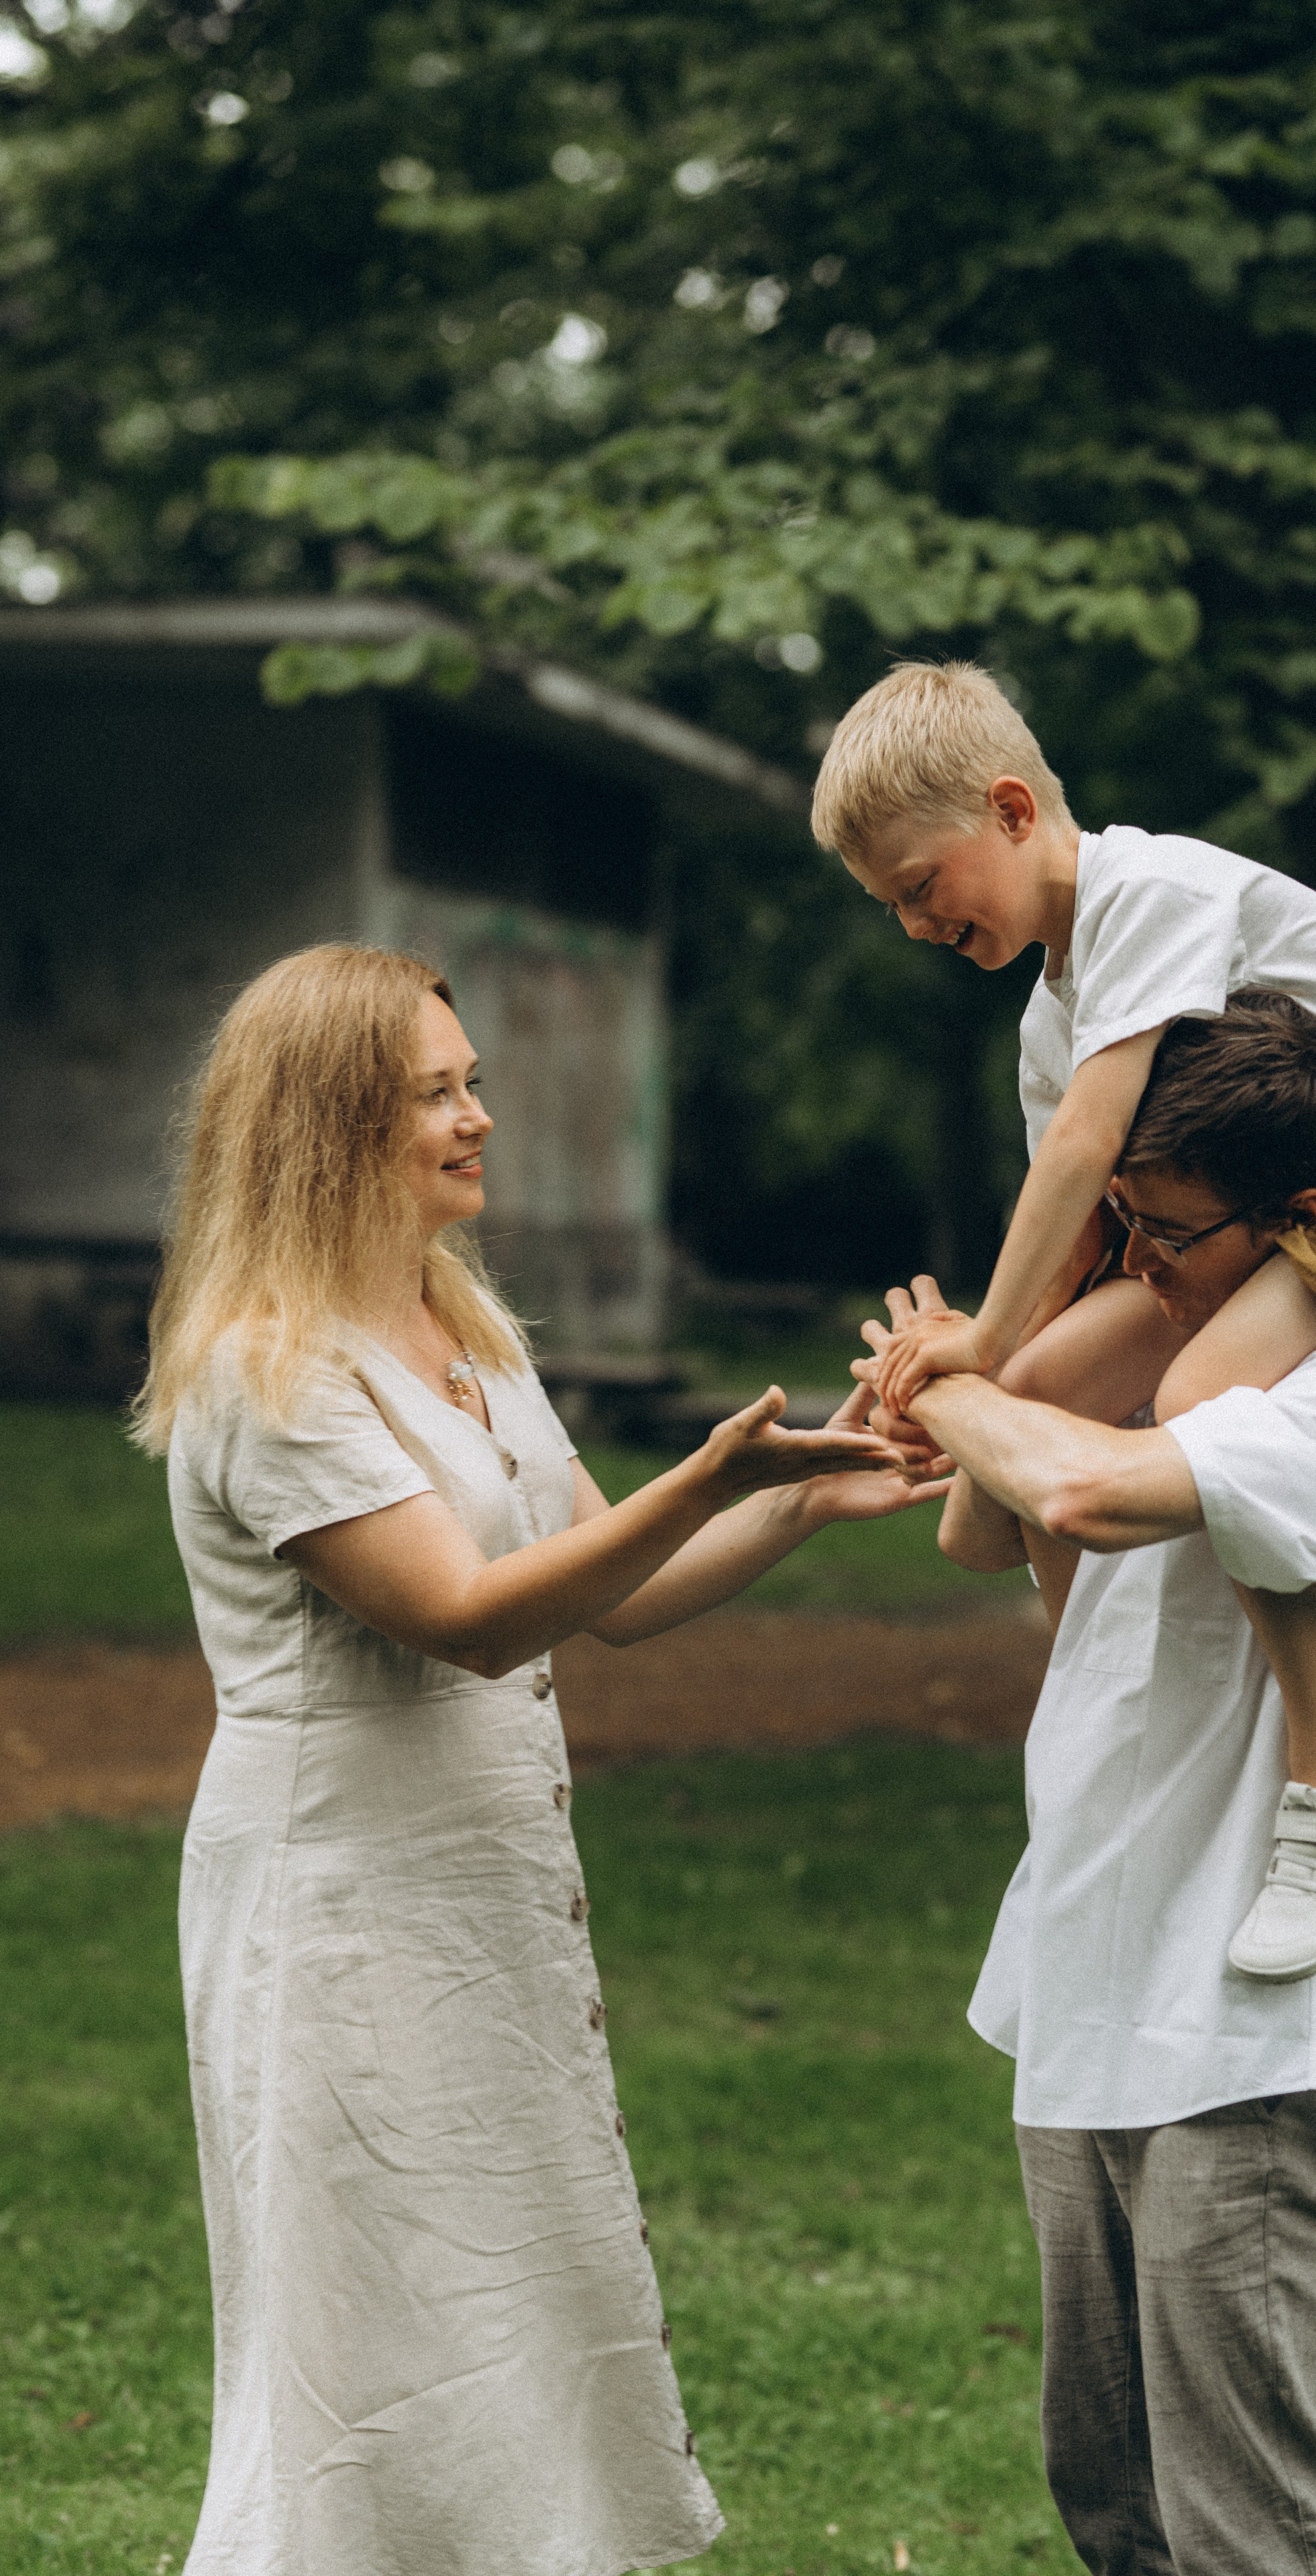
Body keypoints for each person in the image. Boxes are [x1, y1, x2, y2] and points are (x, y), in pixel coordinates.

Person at [133, 944, 936, 2576]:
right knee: (362, 2338)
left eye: (470, 1082)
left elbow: (606, 1596)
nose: (477, 1118)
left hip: (482, 1906)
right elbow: (473, 1620)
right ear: (328, 1124)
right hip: (340, 1915)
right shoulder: (268, 1371)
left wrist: (791, 1502)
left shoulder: (466, 1336)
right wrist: (702, 1482)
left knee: (512, 2310)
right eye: (436, 1093)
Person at [855, 993, 1316, 2576]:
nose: (1136, 1262)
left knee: (1252, 2528)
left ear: (1299, 1226)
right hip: (1092, 1992)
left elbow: (1070, 1484)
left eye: (1161, 1232)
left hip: (1246, 2041)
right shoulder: (1171, 1359)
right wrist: (1048, 1324)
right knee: (1119, 2507)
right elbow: (991, 1531)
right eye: (1116, 1224)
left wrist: (946, 1376)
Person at [814, 660, 1316, 1980]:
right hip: (1245, 1208)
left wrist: (970, 1349)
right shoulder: (1046, 1016)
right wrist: (984, 1386)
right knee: (1029, 1419)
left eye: (921, 887)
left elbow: (1087, 1145)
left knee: (1203, 1402)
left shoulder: (1151, 893)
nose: (913, 925)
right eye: (888, 907)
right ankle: (1103, 1721)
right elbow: (1085, 1226)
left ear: (1013, 812)